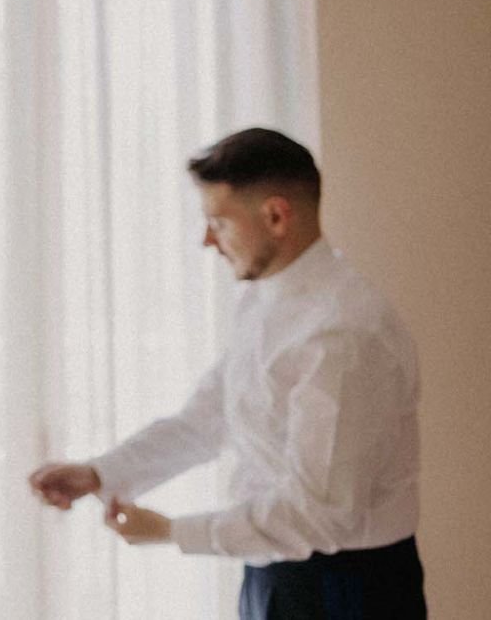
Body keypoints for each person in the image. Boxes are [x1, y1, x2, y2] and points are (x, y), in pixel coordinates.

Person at [28, 128, 425, 619]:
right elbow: (206, 420)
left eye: (219, 222)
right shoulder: (263, 303)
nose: (207, 240)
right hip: (272, 575)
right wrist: (99, 474)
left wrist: (172, 532)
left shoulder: (343, 333)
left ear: (276, 216)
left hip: (344, 589)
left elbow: (319, 514)